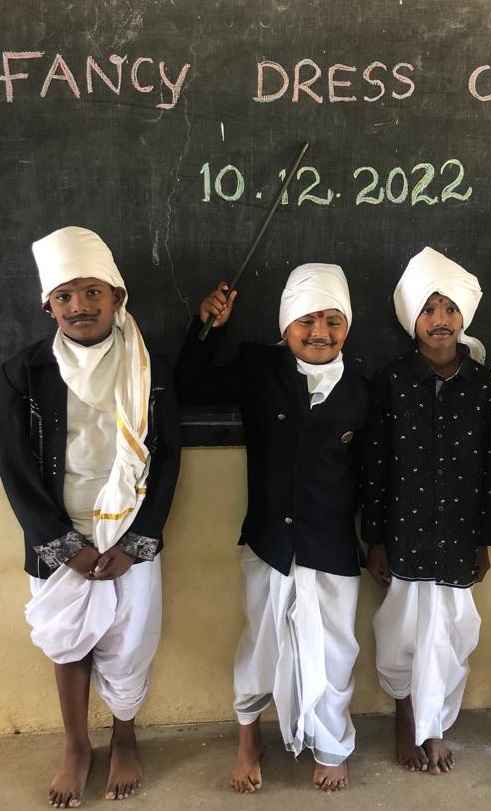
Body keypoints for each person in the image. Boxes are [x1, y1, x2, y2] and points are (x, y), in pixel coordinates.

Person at [0, 226, 181, 807]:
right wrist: (61, 545)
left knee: (129, 642)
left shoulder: (148, 368)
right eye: (65, 295)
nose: (79, 305)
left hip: (129, 532)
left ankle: (124, 736)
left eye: (92, 292)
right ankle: (77, 745)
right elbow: (15, 469)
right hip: (59, 535)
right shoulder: (25, 372)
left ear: (117, 297)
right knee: (68, 643)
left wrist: (139, 541)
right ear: (48, 306)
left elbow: (167, 459)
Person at [176, 263, 369, 793]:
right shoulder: (259, 368)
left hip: (332, 546)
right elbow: (189, 386)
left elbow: (376, 474)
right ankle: (248, 739)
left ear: (347, 326)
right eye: (307, 320)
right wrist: (206, 329)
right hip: (269, 542)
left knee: (334, 649)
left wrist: (375, 541)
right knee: (261, 643)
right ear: (285, 324)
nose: (320, 332)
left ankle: (331, 743)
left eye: (333, 320)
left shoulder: (363, 386)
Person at [363, 247, 491, 774]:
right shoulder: (392, 380)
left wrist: (485, 540)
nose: (439, 319)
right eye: (428, 309)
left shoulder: (482, 385)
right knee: (401, 630)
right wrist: (375, 539)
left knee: (454, 632)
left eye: (449, 308)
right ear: (411, 318)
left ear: (464, 315)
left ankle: (438, 722)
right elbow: (375, 464)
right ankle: (407, 715)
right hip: (405, 534)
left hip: (460, 536)